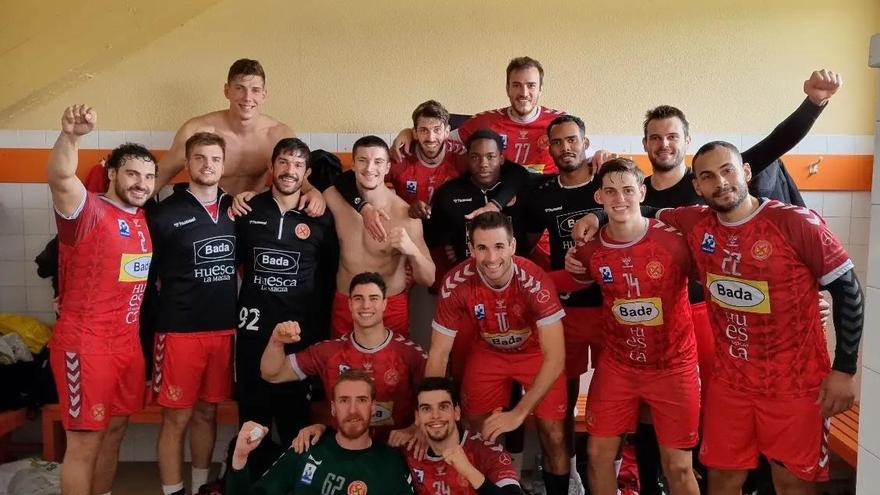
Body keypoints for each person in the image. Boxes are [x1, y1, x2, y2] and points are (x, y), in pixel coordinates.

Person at [572, 68, 842, 494]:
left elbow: (774, 145)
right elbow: (618, 213)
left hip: (707, 319)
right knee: (663, 424)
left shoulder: (709, 185)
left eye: (672, 137)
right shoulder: (641, 195)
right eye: (655, 138)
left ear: (685, 143)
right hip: (648, 337)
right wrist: (594, 215)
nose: (664, 144)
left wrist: (813, 104)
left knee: (713, 423)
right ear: (645, 145)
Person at [565, 159, 700, 495]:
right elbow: (568, 279)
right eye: (610, 191)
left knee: (679, 467)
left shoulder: (675, 241)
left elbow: (722, 277)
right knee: (597, 456)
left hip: (673, 367)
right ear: (599, 197)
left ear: (641, 192)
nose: (619, 198)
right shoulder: (589, 250)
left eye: (627, 190)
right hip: (619, 367)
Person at [47, 104, 156, 495]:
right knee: (84, 443)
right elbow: (61, 177)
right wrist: (71, 137)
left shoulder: (142, 219)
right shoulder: (87, 210)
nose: (141, 183)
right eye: (131, 173)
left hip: (126, 346)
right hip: (85, 345)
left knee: (114, 433)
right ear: (112, 173)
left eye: (148, 176)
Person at [426, 211, 570, 495]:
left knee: (554, 435)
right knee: (476, 433)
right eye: (482, 248)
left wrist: (519, 412)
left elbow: (556, 357)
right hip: (489, 352)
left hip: (536, 355)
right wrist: (429, 411)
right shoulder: (455, 282)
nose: (491, 258)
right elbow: (438, 354)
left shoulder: (535, 280)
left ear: (513, 246)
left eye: (499, 247)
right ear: (471, 249)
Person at [233, 137, 337, 474]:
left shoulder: (320, 217)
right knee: (252, 419)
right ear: (271, 168)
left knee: (295, 420)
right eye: (283, 162)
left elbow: (329, 275)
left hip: (298, 334)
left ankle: (292, 481)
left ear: (306, 172)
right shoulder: (248, 210)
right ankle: (252, 481)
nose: (289, 170)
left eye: (296, 165)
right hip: (253, 329)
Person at [146, 132, 237, 495]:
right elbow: (144, 277)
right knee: (176, 418)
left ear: (224, 165)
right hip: (178, 330)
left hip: (222, 330)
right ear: (187, 163)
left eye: (215, 159)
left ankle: (200, 488)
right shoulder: (164, 213)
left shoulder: (237, 209)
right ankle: (172, 492)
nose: (208, 165)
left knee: (206, 413)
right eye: (200, 158)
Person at [261, 272, 426, 440]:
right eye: (358, 298)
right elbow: (272, 374)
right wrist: (276, 342)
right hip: (344, 452)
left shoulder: (410, 353)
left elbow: (437, 401)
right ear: (349, 304)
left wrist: (414, 429)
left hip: (395, 453)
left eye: (374, 298)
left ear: (384, 304)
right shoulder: (328, 352)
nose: (366, 305)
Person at [154, 58, 324, 212]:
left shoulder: (278, 134)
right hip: (207, 212)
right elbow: (159, 176)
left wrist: (313, 191)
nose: (247, 97)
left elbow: (294, 173)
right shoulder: (198, 130)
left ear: (264, 95)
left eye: (255, 90)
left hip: (252, 213)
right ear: (227, 91)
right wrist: (128, 210)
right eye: (239, 88)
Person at [226, 368, 414, 494]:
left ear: (373, 407)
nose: (353, 410)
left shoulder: (392, 462)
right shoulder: (306, 448)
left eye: (362, 400)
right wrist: (240, 458)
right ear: (333, 408)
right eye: (344, 400)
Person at [323, 136, 435, 337]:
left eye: (378, 162)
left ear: (387, 167)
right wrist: (309, 192)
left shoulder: (404, 214)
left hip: (389, 306)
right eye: (363, 160)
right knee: (344, 368)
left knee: (392, 369)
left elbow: (428, 278)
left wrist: (412, 251)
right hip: (346, 302)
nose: (369, 168)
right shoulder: (332, 199)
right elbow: (303, 188)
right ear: (354, 164)